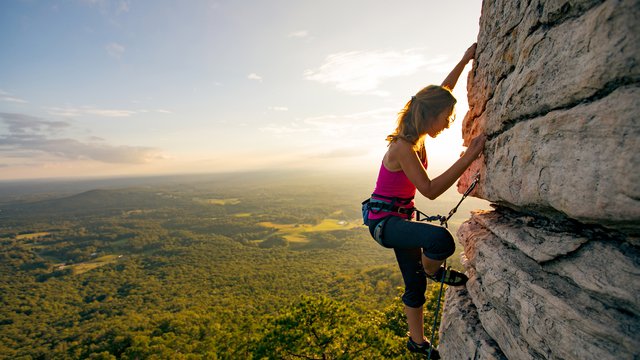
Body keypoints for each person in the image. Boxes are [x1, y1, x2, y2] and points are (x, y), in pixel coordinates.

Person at [365, 43, 485, 358]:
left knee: (415, 287)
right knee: (441, 241)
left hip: (399, 219)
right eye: (445, 119)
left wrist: (463, 60)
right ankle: (432, 270)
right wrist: (471, 155)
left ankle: (416, 343)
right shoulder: (403, 146)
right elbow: (430, 190)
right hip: (385, 223)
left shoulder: (415, 134)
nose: (447, 124)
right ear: (429, 116)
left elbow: (441, 92)